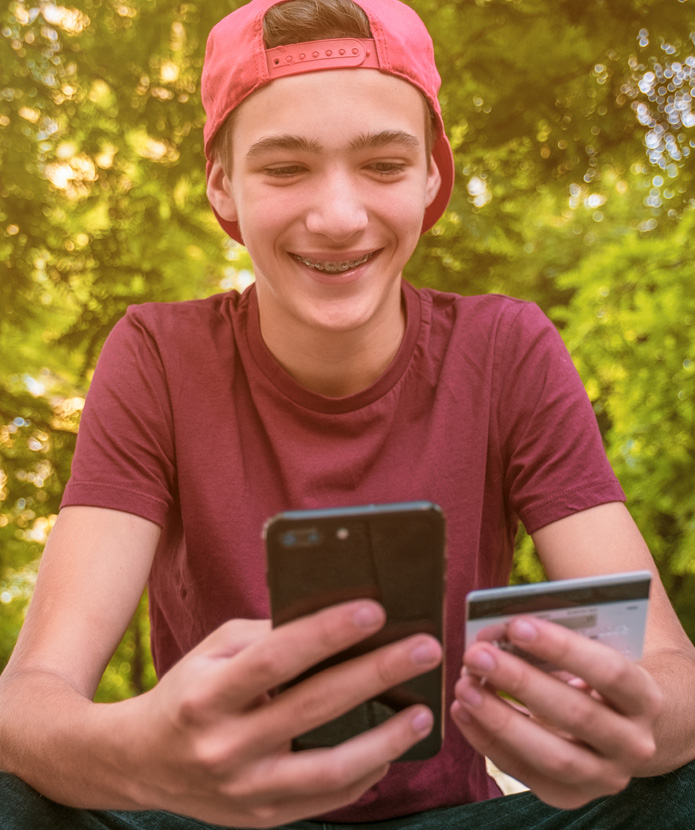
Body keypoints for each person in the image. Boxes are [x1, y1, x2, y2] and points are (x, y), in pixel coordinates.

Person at [1, 0, 694, 827]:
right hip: (203, 817)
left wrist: (637, 723)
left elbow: (669, 668)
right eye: (285, 168)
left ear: (433, 174)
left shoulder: (504, 347)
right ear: (222, 183)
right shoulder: (156, 354)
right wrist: (132, 756)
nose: (337, 217)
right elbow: (31, 698)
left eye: (384, 165)